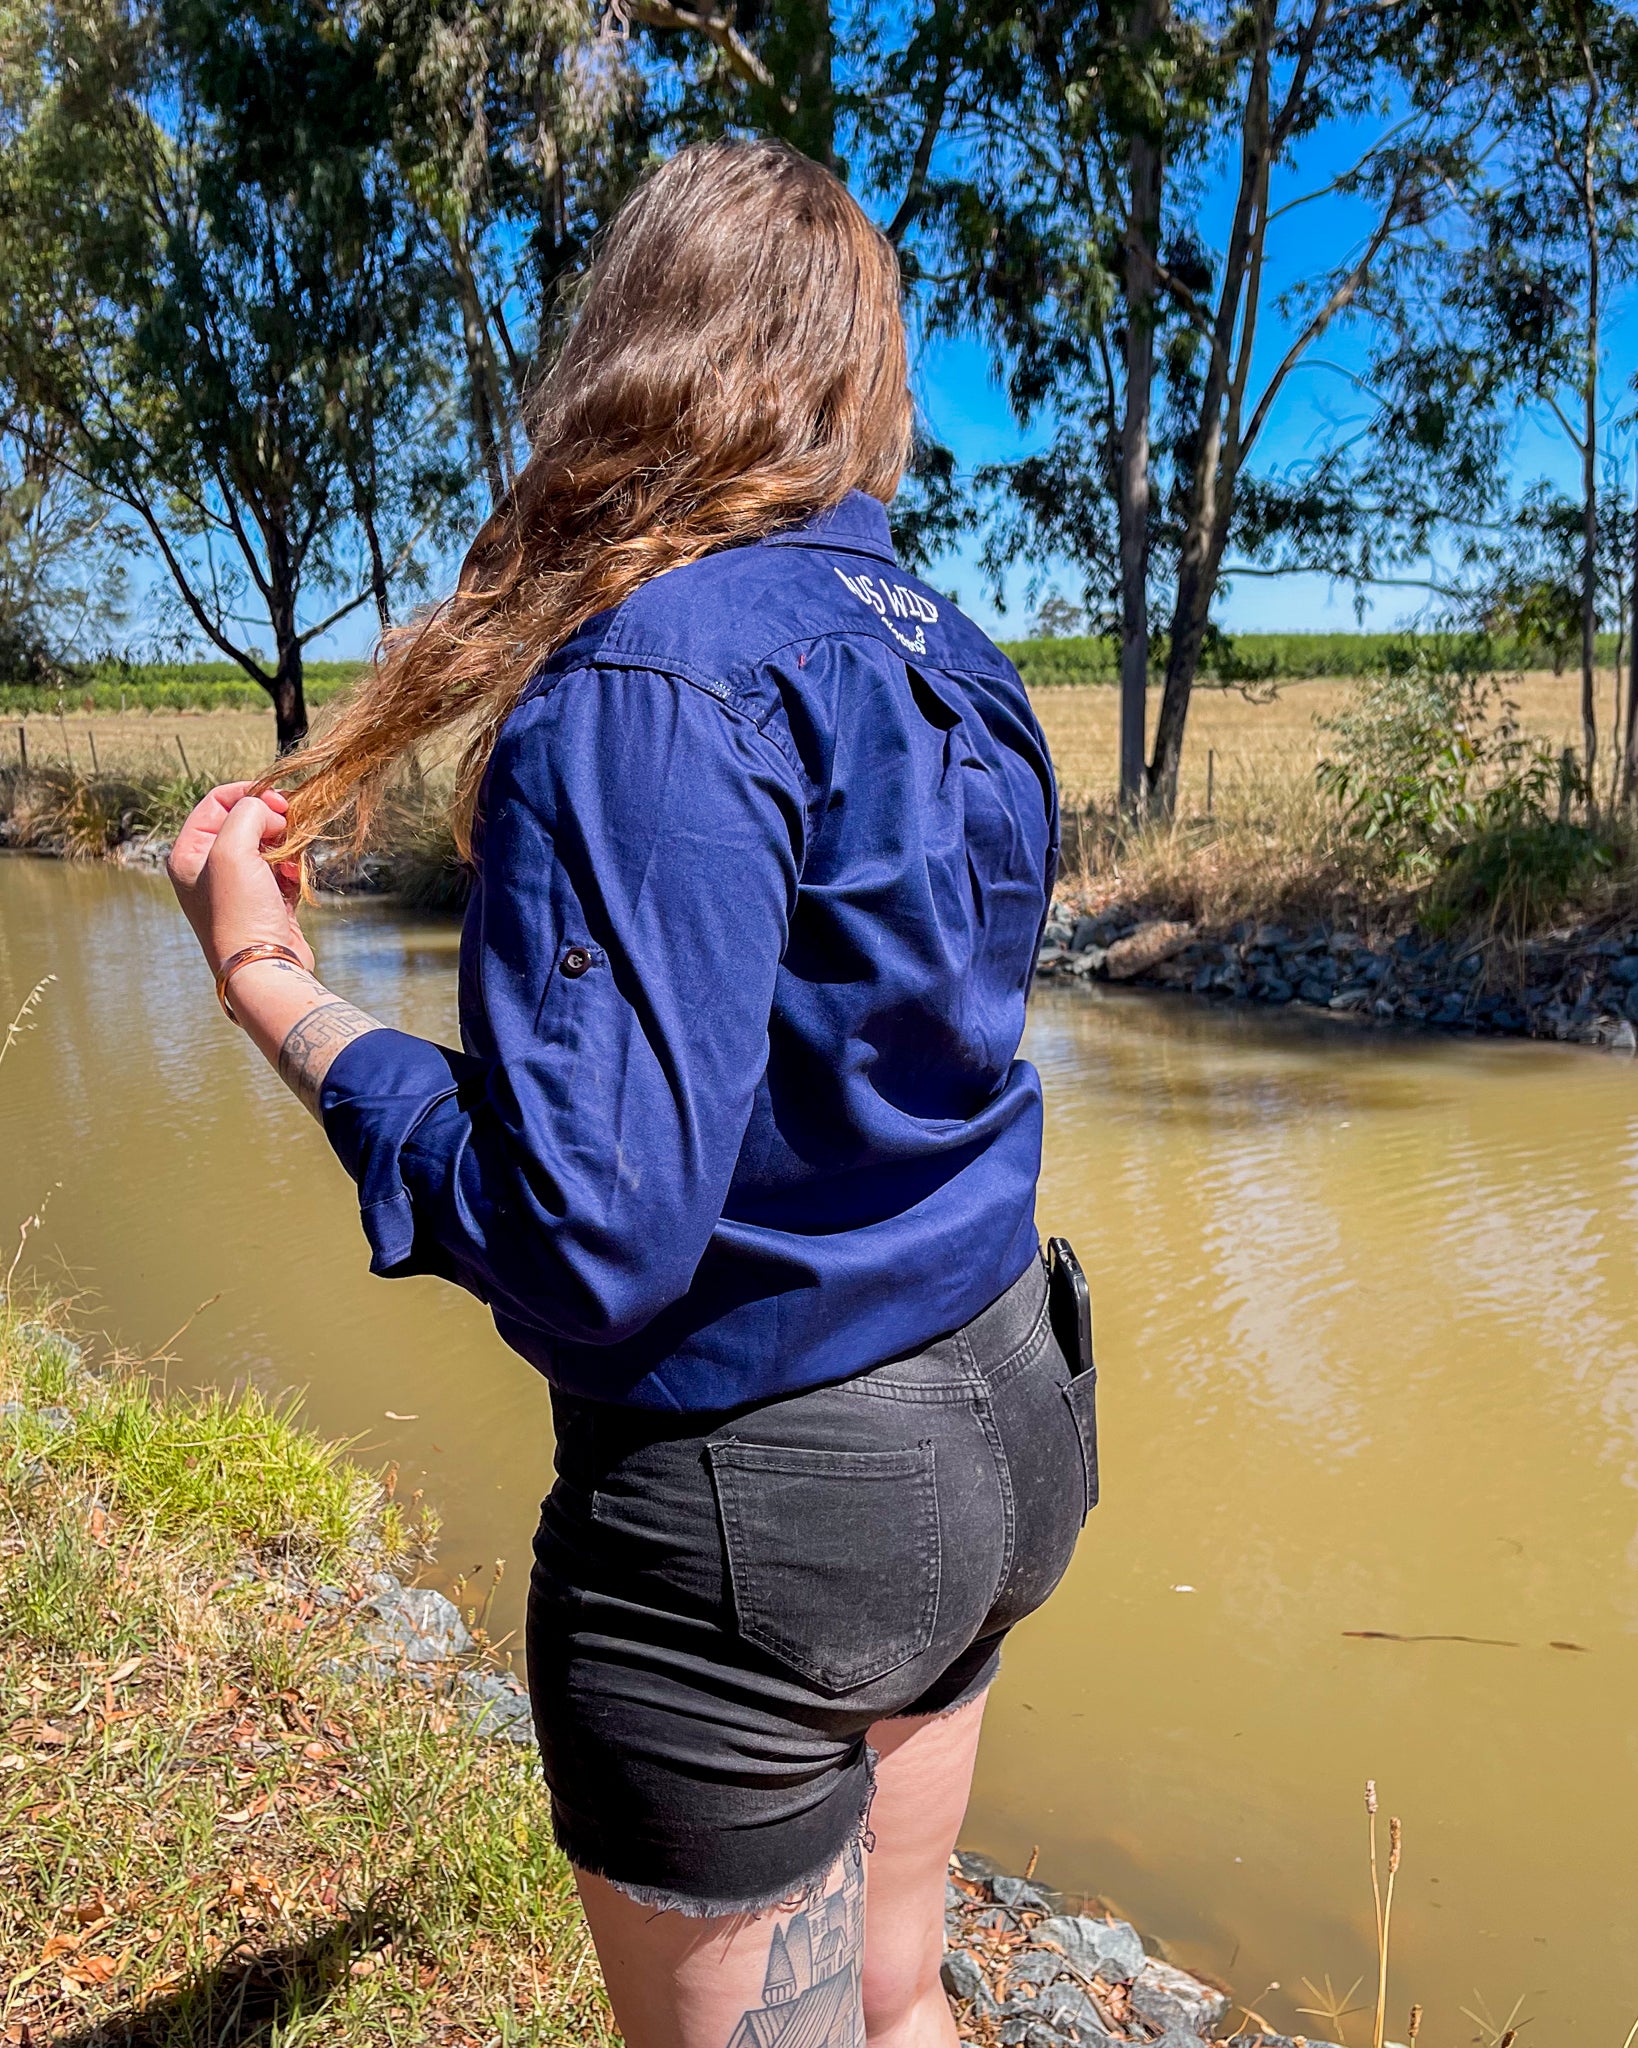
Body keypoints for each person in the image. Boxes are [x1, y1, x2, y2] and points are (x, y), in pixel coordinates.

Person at [166, 136, 1097, 2048]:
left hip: (779, 1491)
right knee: (899, 1990)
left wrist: (266, 980)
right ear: (859, 373)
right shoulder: (955, 655)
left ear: (630, 348)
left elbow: (591, 1240)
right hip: (1005, 1404)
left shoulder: (648, 671)